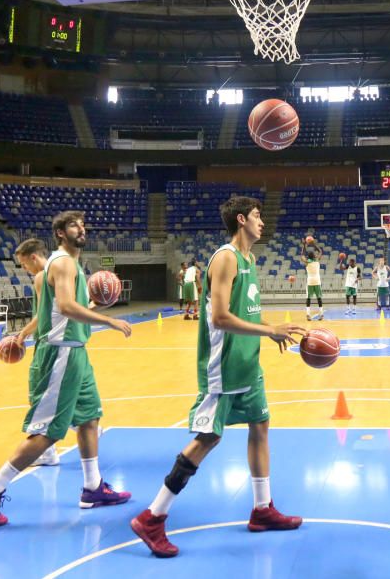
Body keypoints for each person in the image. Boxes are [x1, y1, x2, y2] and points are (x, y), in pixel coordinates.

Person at [131, 196, 308, 558]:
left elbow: (246, 312)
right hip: (223, 367)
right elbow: (221, 318)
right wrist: (268, 331)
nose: (262, 221)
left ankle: (262, 509)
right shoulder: (226, 258)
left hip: (247, 364)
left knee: (261, 425)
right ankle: (153, 516)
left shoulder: (249, 259)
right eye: (258, 216)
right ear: (241, 220)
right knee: (207, 438)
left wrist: (272, 327)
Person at [0, 211, 134, 527]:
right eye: (73, 225)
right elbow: (68, 308)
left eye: (83, 224)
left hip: (76, 353)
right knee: (47, 433)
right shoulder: (63, 263)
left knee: (89, 417)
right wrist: (109, 320)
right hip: (60, 355)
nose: (81, 228)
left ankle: (93, 486)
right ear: (59, 233)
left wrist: (96, 307)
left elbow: (70, 309)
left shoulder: (70, 266)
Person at [11, 238, 60, 467]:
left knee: (38, 396)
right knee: (69, 395)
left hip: (48, 343)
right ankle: (87, 427)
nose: (24, 270)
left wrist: (22, 334)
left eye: (24, 264)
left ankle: (48, 452)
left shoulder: (42, 276)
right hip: (64, 343)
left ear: (33, 257)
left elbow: (43, 314)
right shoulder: (62, 270)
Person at [302, 238, 324, 321]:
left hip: (310, 282)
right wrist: (313, 244)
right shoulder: (317, 260)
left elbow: (302, 255)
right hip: (317, 281)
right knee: (319, 298)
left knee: (308, 299)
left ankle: (308, 315)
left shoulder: (307, 262)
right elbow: (320, 251)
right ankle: (321, 314)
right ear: (314, 256)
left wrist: (304, 245)